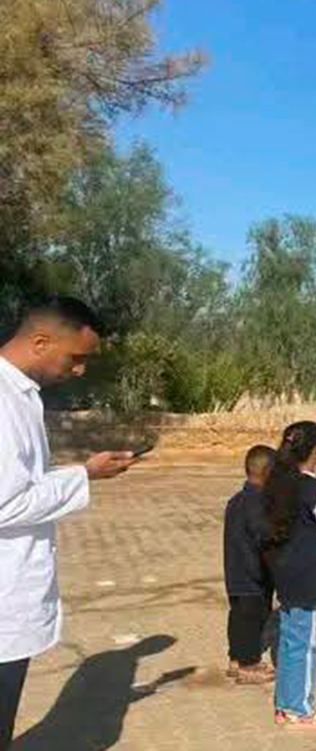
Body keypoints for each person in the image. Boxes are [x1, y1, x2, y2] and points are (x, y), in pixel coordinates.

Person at [0, 297, 137, 748]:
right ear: (40, 341)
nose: (79, 370)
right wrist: (84, 475)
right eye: (75, 358)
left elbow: (24, 482)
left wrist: (81, 470)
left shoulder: (20, 396)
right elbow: (5, 504)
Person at [263, 421, 316, 730]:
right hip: (309, 575)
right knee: (305, 644)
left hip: (285, 572)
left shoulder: (278, 482)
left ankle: (285, 705)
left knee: (290, 641)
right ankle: (302, 710)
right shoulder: (315, 488)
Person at [223, 445, 278, 685]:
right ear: (267, 472)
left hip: (236, 571)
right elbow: (263, 536)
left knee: (238, 616)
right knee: (252, 618)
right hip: (252, 574)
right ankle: (248, 664)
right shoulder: (257, 503)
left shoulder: (236, 500)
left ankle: (236, 659)